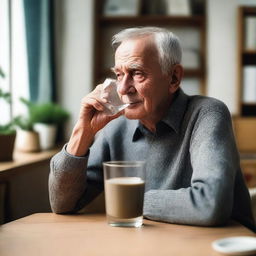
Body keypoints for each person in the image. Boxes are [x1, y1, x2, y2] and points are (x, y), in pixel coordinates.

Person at [49, 27, 255, 231]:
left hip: (223, 246)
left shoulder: (207, 113)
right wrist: (82, 133)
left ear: (173, 78)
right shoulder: (117, 127)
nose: (122, 89)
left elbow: (210, 203)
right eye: (119, 75)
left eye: (137, 73)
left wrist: (127, 198)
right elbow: (63, 204)